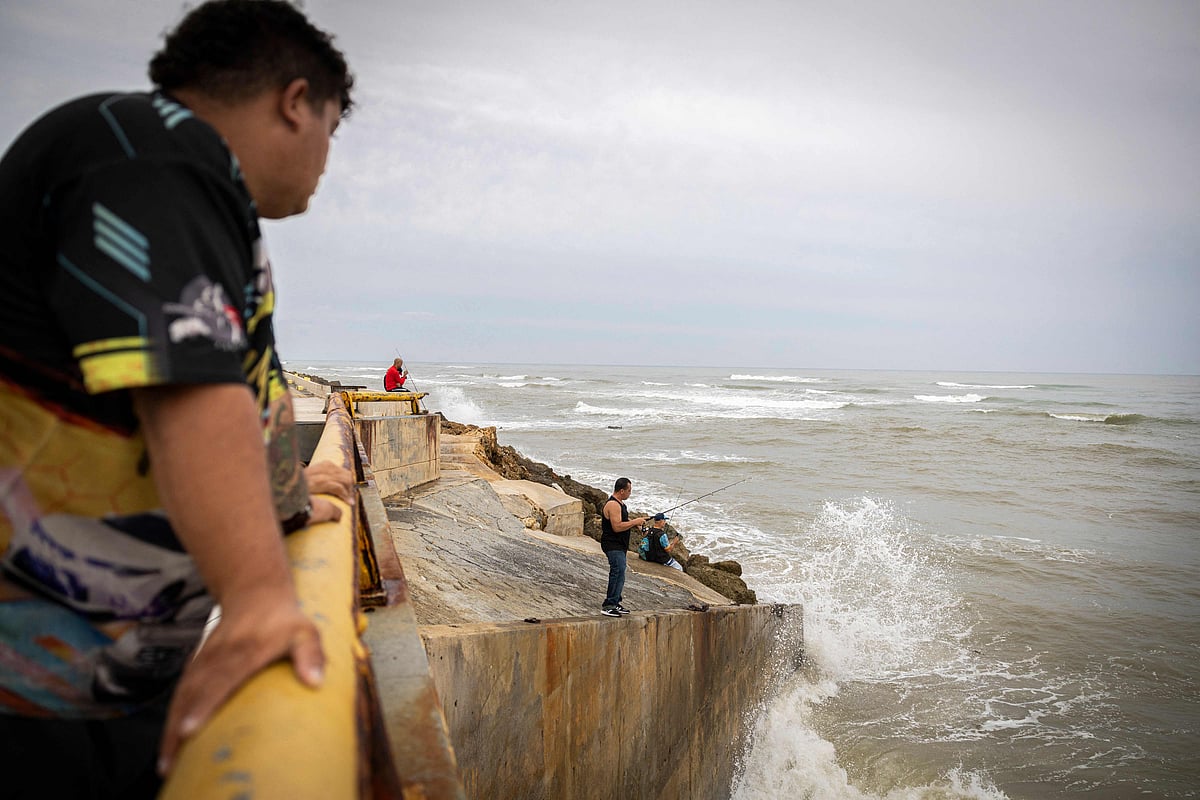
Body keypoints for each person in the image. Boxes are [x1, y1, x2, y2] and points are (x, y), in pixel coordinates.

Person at [0, 2, 355, 797]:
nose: (327, 162)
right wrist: (262, 600)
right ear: (295, 102)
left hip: (99, 667)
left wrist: (290, 498)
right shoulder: (150, 152)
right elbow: (186, 385)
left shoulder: (178, 178)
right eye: (332, 130)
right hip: (34, 687)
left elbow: (239, 379)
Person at [600, 477, 647, 617]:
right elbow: (617, 527)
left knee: (620, 573)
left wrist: (638, 525)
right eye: (629, 491)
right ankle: (609, 605)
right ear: (621, 491)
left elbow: (624, 521)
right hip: (612, 544)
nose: (630, 493)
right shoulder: (613, 505)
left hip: (620, 545)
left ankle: (615, 602)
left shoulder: (621, 504)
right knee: (617, 571)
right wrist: (634, 522)